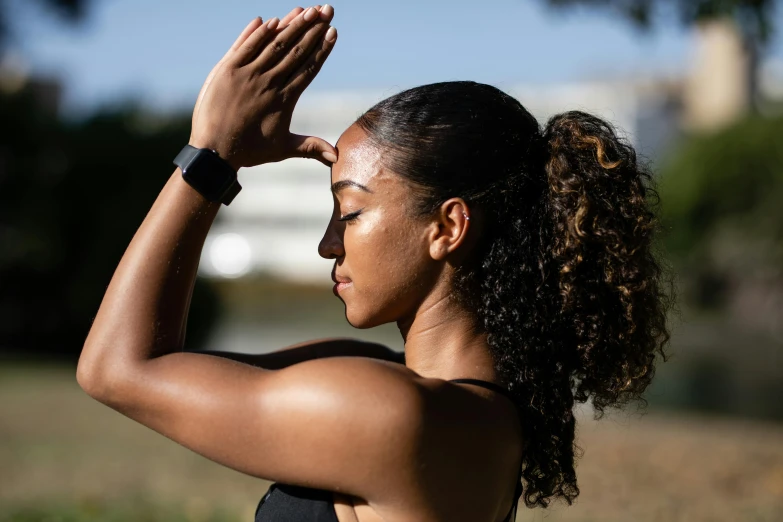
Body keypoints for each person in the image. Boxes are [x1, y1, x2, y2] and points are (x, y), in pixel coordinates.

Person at [76, 4, 674, 521]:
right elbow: (165, 366)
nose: (327, 244)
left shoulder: (393, 415)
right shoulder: (462, 408)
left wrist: (211, 157)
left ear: (448, 227)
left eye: (351, 213)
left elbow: (117, 368)